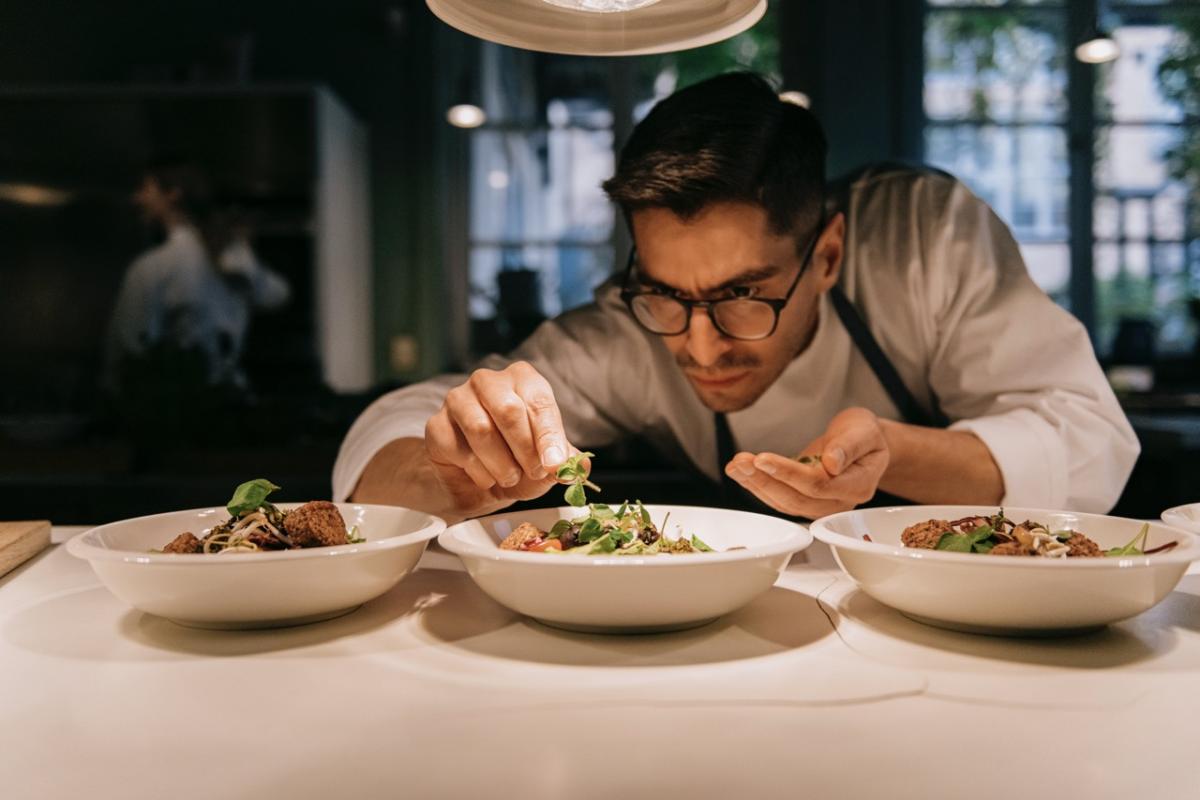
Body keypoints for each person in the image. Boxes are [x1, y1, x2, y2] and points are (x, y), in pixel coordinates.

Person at [335, 72, 1138, 522]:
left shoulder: (924, 239)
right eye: (666, 294)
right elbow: (402, 427)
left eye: (743, 295)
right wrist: (464, 465)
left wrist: (898, 451)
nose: (702, 345)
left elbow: (1090, 440)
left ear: (826, 255)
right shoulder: (633, 331)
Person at [104, 160, 289, 394]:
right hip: (231, 398)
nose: (138, 198)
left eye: (145, 188)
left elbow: (129, 350)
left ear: (172, 194)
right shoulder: (231, 254)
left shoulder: (155, 267)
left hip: (178, 404)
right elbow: (277, 295)